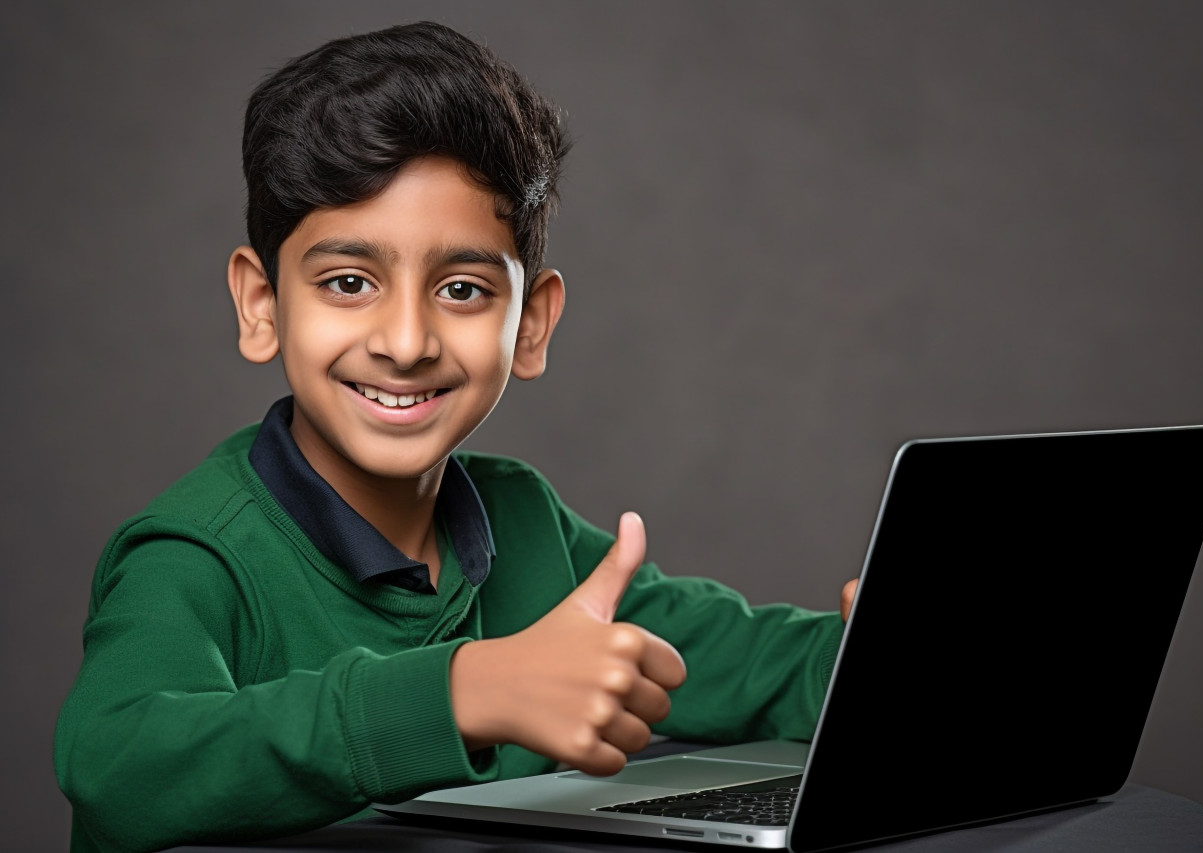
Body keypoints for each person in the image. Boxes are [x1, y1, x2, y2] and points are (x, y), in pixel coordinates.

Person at [53, 20, 858, 853]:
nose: (405, 342)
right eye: (349, 281)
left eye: (464, 289)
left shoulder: (526, 525)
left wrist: (863, 653)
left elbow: (756, 665)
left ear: (532, 325)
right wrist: (459, 693)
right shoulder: (192, 555)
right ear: (262, 304)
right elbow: (117, 763)